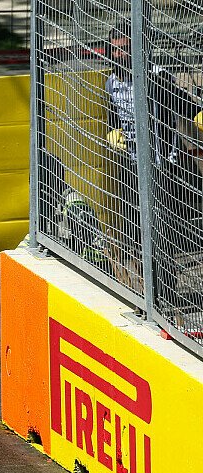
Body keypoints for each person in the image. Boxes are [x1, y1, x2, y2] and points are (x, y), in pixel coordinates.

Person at [103, 19, 203, 307]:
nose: (119, 54)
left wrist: (198, 118)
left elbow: (185, 106)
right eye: (115, 50)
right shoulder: (111, 82)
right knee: (135, 231)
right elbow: (113, 116)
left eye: (124, 49)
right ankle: (144, 292)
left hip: (163, 167)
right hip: (133, 167)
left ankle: (164, 296)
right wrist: (113, 132)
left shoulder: (155, 77)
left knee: (162, 233)